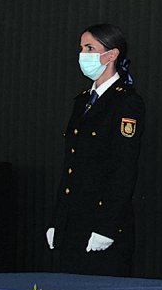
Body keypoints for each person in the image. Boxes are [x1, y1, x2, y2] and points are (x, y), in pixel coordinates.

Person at [47, 24, 144, 276]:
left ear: (111, 55)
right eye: (81, 48)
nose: (83, 54)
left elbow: (123, 170)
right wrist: (58, 221)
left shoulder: (126, 102)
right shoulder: (82, 102)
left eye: (90, 48)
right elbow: (71, 167)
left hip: (101, 226)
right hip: (73, 223)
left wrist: (107, 227)